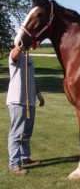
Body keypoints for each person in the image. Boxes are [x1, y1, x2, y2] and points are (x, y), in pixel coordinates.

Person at [6, 47, 45, 175]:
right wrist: (21, 44)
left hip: (30, 101)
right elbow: (15, 55)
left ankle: (25, 158)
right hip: (18, 100)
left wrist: (39, 95)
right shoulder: (15, 53)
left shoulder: (30, 57)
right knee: (17, 133)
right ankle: (14, 164)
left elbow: (31, 79)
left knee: (26, 133)